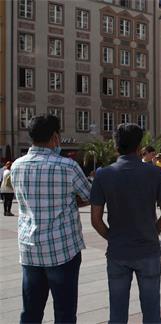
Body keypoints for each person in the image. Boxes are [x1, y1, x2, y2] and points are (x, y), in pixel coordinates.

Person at [10, 114, 91, 324]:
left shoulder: (17, 165)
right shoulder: (67, 166)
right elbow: (89, 195)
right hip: (62, 249)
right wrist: (71, 203)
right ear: (56, 137)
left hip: (30, 249)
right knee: (64, 313)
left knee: (30, 312)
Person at [90, 123, 161, 323]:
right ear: (140, 146)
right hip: (148, 249)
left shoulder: (103, 174)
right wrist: (153, 233)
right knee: (152, 311)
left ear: (116, 145)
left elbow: (95, 219)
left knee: (117, 312)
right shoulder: (155, 173)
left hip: (118, 251)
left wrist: (112, 236)